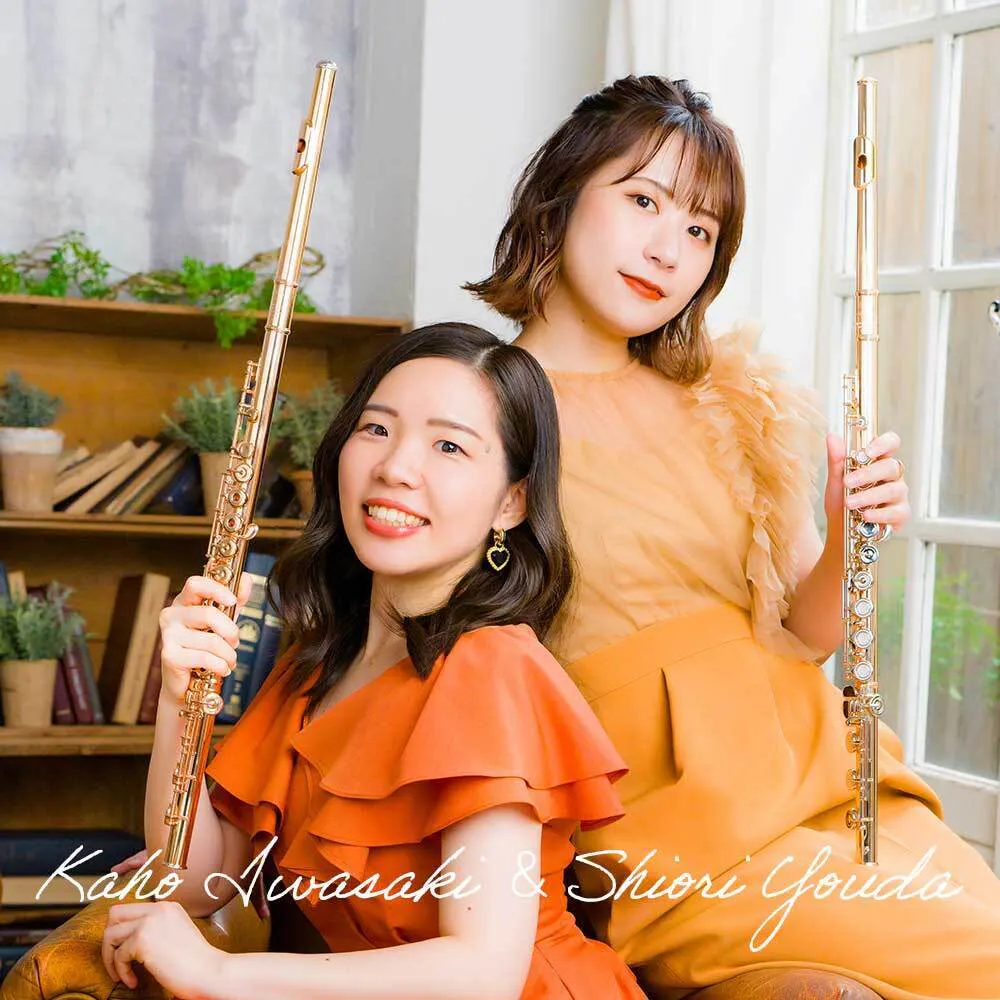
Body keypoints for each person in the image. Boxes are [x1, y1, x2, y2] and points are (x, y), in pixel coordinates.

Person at [465, 75, 1000, 999]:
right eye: (644, 201)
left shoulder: (732, 401)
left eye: (701, 230)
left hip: (827, 781)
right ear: (561, 193)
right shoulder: (475, 404)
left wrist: (851, 532)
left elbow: (803, 633)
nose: (668, 249)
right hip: (675, 823)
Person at [99, 323, 647, 1000]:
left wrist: (216, 972)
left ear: (511, 502)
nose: (395, 468)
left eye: (449, 445)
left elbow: (483, 973)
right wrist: (180, 702)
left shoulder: (493, 669)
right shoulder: (315, 664)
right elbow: (197, 883)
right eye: (377, 428)